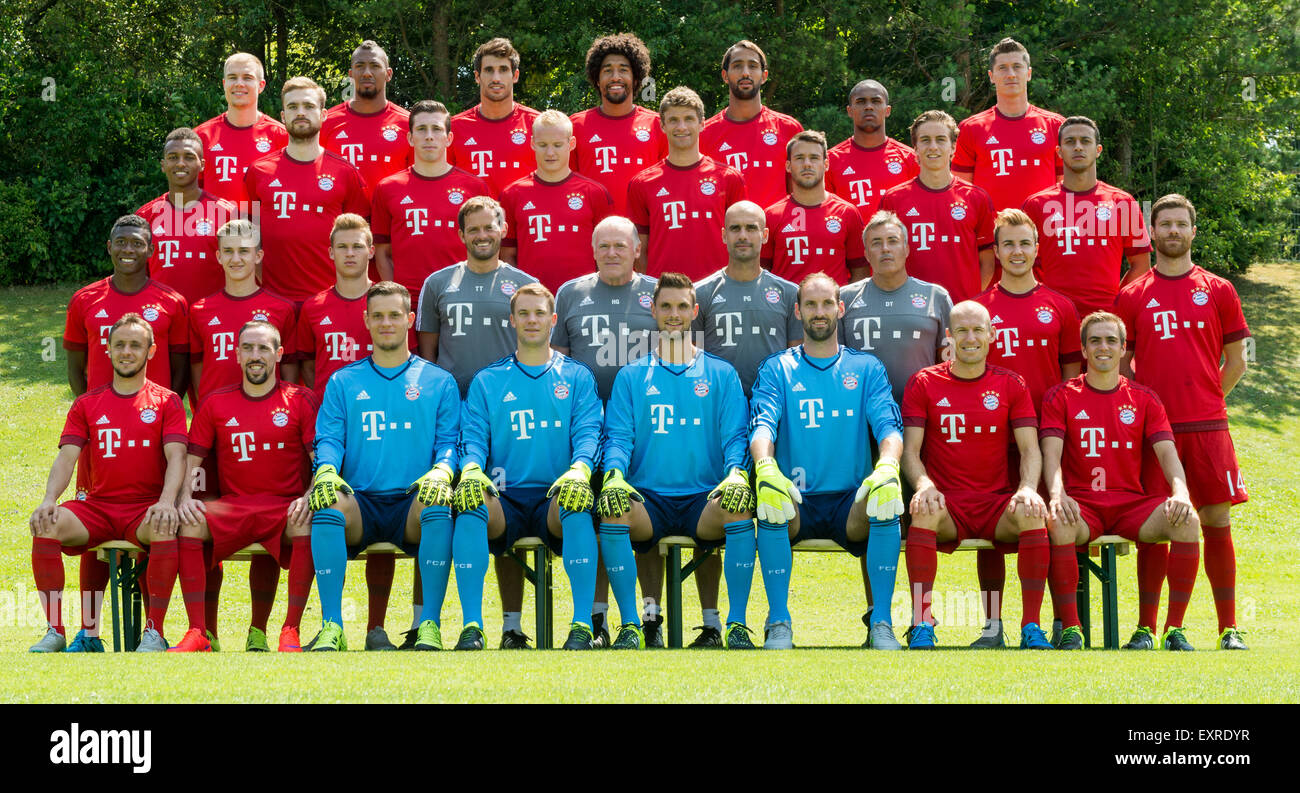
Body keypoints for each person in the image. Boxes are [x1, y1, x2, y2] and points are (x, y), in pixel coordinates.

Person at [1114, 194, 1250, 650]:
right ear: (1152, 234)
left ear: (1193, 232)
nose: (1173, 231)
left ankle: (1228, 627)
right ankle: (1147, 628)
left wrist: (1209, 397)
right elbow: (1122, 363)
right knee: (1157, 525)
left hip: (1208, 428)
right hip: (1154, 435)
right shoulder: (1131, 294)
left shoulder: (1218, 289)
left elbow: (1236, 361)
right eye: (1164, 224)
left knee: (1214, 521)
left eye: (1180, 224)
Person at [597, 272, 755, 650]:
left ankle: (724, 625)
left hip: (705, 494)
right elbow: (618, 437)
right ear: (652, 310)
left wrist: (736, 474)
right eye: (665, 305)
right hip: (648, 494)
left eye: (682, 306)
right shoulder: (632, 375)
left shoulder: (721, 373)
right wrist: (614, 476)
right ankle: (640, 623)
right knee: (615, 511)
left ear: (694, 311)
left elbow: (735, 437)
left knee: (737, 509)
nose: (673, 313)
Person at [749, 272, 907, 650]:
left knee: (884, 500)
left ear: (840, 308)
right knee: (771, 502)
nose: (819, 312)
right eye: (810, 305)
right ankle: (778, 622)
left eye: (825, 304)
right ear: (798, 311)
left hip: (848, 500)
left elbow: (888, 427)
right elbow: (763, 426)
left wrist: (888, 466)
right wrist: (765, 468)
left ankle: (882, 621)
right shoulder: (777, 368)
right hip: (796, 498)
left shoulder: (866, 368)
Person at [306, 282, 461, 651]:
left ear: (409, 319)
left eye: (394, 315)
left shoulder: (439, 381)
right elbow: (330, 439)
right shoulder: (344, 381)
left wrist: (442, 470)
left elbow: (449, 444)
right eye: (378, 316)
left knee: (438, 505)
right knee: (327, 505)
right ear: (366, 321)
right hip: (361, 500)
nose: (386, 323)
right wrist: (325, 470)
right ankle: (332, 626)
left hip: (412, 501)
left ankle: (429, 625)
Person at [415, 195, 540, 648]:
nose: (483, 235)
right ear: (461, 234)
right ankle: (421, 622)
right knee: (435, 509)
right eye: (474, 229)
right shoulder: (438, 283)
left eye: (490, 227)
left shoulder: (525, 286)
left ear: (503, 228)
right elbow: (427, 360)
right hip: (451, 415)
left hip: (508, 417)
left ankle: (511, 626)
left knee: (499, 510)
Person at [450, 284, 603, 650]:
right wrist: (471, 467)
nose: (531, 320)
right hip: (506, 496)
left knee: (577, 501)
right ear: (512, 321)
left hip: (557, 494)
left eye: (539, 314)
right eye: (524, 313)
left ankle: (582, 624)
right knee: (471, 502)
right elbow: (473, 437)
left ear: (552, 320)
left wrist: (581, 469)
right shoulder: (489, 380)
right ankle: (475, 627)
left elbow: (588, 433)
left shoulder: (578, 377)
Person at [1040, 312, 1203, 651]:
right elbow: (1050, 455)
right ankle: (1072, 628)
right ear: (1083, 350)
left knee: (1187, 521)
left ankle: (1169, 630)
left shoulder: (1144, 398)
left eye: (1111, 340)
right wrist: (1058, 494)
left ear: (1123, 349)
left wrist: (1181, 492)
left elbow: (1167, 454)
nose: (1103, 347)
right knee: (1057, 520)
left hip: (1131, 505)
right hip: (1084, 505)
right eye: (1095, 340)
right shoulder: (1061, 396)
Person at [63, 216, 191, 645]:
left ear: (151, 249)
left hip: (154, 426)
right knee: (94, 524)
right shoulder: (85, 299)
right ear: (109, 246)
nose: (128, 249)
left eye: (137, 242)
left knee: (154, 518)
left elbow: (178, 370)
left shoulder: (172, 301)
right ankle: (88, 630)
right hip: (100, 433)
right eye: (121, 242)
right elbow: (76, 370)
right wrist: (97, 414)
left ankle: (152, 629)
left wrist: (155, 416)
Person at [29, 315, 188, 653]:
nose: (126, 352)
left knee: (163, 526)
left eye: (135, 345)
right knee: (47, 523)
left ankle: (154, 633)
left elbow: (177, 458)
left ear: (151, 351)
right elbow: (67, 457)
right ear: (108, 350)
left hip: (144, 508)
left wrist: (166, 501)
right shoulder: (87, 403)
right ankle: (55, 631)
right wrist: (48, 499)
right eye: (120, 345)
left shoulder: (167, 401)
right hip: (98, 508)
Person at [899, 301, 1052, 649]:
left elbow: (1030, 449)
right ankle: (922, 621)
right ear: (949, 337)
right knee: (923, 507)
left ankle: (1030, 626)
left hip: (996, 503)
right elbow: (910, 452)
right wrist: (924, 485)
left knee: (1031, 513)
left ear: (991, 335)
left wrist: (1028, 488)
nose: (971, 338)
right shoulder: (925, 382)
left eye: (978, 330)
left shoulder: (1011, 384)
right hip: (948, 504)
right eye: (962, 331)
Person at [684, 200, 801, 646]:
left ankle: (777, 617)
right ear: (723, 234)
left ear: (765, 235)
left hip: (775, 425)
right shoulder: (703, 291)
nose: (744, 236)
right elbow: (688, 361)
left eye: (752, 228)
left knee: (772, 515)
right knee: (714, 512)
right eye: (735, 228)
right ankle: (714, 622)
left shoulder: (786, 292)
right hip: (717, 422)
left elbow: (797, 363)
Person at [167, 321, 318, 652]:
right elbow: (192, 461)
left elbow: (319, 458)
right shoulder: (215, 402)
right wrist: (184, 497)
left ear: (278, 355)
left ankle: (290, 630)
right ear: (236, 355)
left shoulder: (300, 400)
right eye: (248, 348)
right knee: (190, 520)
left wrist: (309, 496)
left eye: (263, 348)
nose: (255, 355)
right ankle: (199, 632)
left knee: (307, 518)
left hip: (284, 505)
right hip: (234, 505)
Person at [839, 210, 952, 642]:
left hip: (925, 430)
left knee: (922, 520)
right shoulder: (846, 298)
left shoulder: (935, 296)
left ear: (907, 247)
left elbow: (950, 361)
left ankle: (923, 615)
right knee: (876, 521)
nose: (885, 250)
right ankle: (877, 613)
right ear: (865, 251)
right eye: (876, 243)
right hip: (864, 433)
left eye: (892, 242)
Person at [969, 208, 1081, 645]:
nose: (1017, 252)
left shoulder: (1061, 307)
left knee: (1052, 528)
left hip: (1048, 438)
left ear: (1037, 248)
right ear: (995, 251)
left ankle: (1059, 622)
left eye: (1024, 243)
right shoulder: (978, 308)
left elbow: (1074, 382)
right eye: (1008, 244)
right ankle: (993, 626)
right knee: (995, 532)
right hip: (993, 438)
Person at [551, 217, 659, 644]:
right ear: (592, 250)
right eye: (603, 246)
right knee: (596, 517)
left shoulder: (657, 294)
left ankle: (650, 615)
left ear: (637, 249)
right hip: (587, 427)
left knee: (645, 517)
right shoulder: (571, 293)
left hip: (649, 426)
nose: (612, 252)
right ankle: (596, 618)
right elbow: (557, 368)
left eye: (620, 245)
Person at [243, 76, 368, 303]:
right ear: (283, 116)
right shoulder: (257, 171)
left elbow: (362, 241)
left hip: (332, 299)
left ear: (323, 114)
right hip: (274, 300)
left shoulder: (346, 172)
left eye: (309, 106)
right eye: (293, 107)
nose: (300, 112)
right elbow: (246, 234)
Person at [371, 100, 489, 327]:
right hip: (409, 304)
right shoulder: (388, 188)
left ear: (449, 138)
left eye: (436, 129)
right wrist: (396, 297)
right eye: (421, 129)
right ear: (410, 137)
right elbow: (383, 253)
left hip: (462, 298)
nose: (429, 136)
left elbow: (486, 247)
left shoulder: (474, 188)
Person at [1021, 115, 1152, 319]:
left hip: (1106, 320)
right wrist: (1042, 303)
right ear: (1059, 151)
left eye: (1086, 141)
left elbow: (1141, 265)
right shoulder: (1036, 205)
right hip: (1052, 317)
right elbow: (1024, 265)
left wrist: (1119, 304)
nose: (1078, 147)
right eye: (1070, 142)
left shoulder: (1123, 202)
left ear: (1098, 150)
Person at [627, 87, 746, 279]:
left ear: (702, 124)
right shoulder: (642, 183)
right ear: (662, 126)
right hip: (665, 293)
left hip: (718, 290)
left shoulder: (729, 178)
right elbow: (640, 251)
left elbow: (741, 241)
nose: (681, 126)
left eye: (689, 119)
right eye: (673, 120)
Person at [880, 110, 995, 303]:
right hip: (910, 307)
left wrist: (969, 299)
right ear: (915, 148)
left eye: (940, 139)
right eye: (925, 140)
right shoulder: (893, 199)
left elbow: (988, 261)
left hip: (961, 311)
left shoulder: (977, 198)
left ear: (953, 147)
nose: (933, 147)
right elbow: (883, 258)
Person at [500, 110, 614, 292]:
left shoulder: (594, 193)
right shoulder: (512, 194)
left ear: (572, 144)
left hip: (584, 298)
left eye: (558, 145)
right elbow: (507, 256)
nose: (550, 152)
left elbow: (607, 254)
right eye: (543, 144)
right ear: (532, 144)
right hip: (533, 303)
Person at [189, 220, 298, 405]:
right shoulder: (199, 310)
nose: (236, 259)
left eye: (244, 251)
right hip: (217, 415)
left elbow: (289, 370)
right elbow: (197, 369)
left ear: (258, 255)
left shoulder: (282, 309)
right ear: (219, 256)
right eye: (228, 251)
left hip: (267, 412)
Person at [952, 38, 1064, 213]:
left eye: (1017, 67)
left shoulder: (1056, 126)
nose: (1010, 74)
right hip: (991, 235)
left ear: (1029, 73)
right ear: (992, 76)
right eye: (1002, 68)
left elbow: (1066, 189)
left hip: (1043, 232)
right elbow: (961, 192)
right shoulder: (971, 128)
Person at [136, 127, 237, 305]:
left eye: (189, 157)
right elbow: (137, 274)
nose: (181, 163)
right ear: (163, 165)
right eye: (173, 157)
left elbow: (240, 272)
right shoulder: (145, 215)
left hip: (212, 318)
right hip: (163, 315)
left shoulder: (227, 213)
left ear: (202, 164)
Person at [570, 33, 667, 215]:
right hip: (595, 235)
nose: (615, 77)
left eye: (623, 70)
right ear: (597, 80)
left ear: (636, 78)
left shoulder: (658, 125)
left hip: (645, 234)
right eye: (607, 70)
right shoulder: (575, 126)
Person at [700, 39, 803, 209]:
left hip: (776, 233)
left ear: (764, 76)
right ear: (725, 76)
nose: (745, 73)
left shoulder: (789, 129)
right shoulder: (705, 134)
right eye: (738, 66)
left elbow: (800, 194)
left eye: (753, 66)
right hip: (727, 233)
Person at [761, 130, 868, 285]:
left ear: (826, 164)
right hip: (786, 307)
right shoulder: (771, 216)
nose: (807, 164)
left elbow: (861, 274)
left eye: (814, 158)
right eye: (799, 158)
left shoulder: (847, 213)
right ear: (788, 166)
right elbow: (762, 274)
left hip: (833, 308)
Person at [448, 38, 540, 197]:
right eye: (489, 70)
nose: (496, 78)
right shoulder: (455, 128)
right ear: (477, 76)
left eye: (503, 69)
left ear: (515, 75)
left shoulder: (538, 125)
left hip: (525, 220)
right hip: (473, 221)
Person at [194, 52, 288, 207]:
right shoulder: (200, 136)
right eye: (232, 77)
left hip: (263, 229)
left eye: (247, 77)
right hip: (214, 228)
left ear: (261, 85)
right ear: (224, 83)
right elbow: (189, 193)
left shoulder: (281, 136)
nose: (239, 83)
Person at [321, 40, 413, 196]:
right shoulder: (326, 122)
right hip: (342, 218)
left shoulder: (409, 124)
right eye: (360, 66)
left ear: (388, 74)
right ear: (351, 74)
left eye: (375, 66)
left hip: (392, 218)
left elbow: (418, 180)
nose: (367, 73)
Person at [825, 80, 918, 222]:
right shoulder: (830, 161)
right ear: (850, 111)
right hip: (850, 244)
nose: (868, 107)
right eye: (861, 102)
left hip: (896, 243)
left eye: (876, 101)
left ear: (887, 110)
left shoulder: (910, 158)